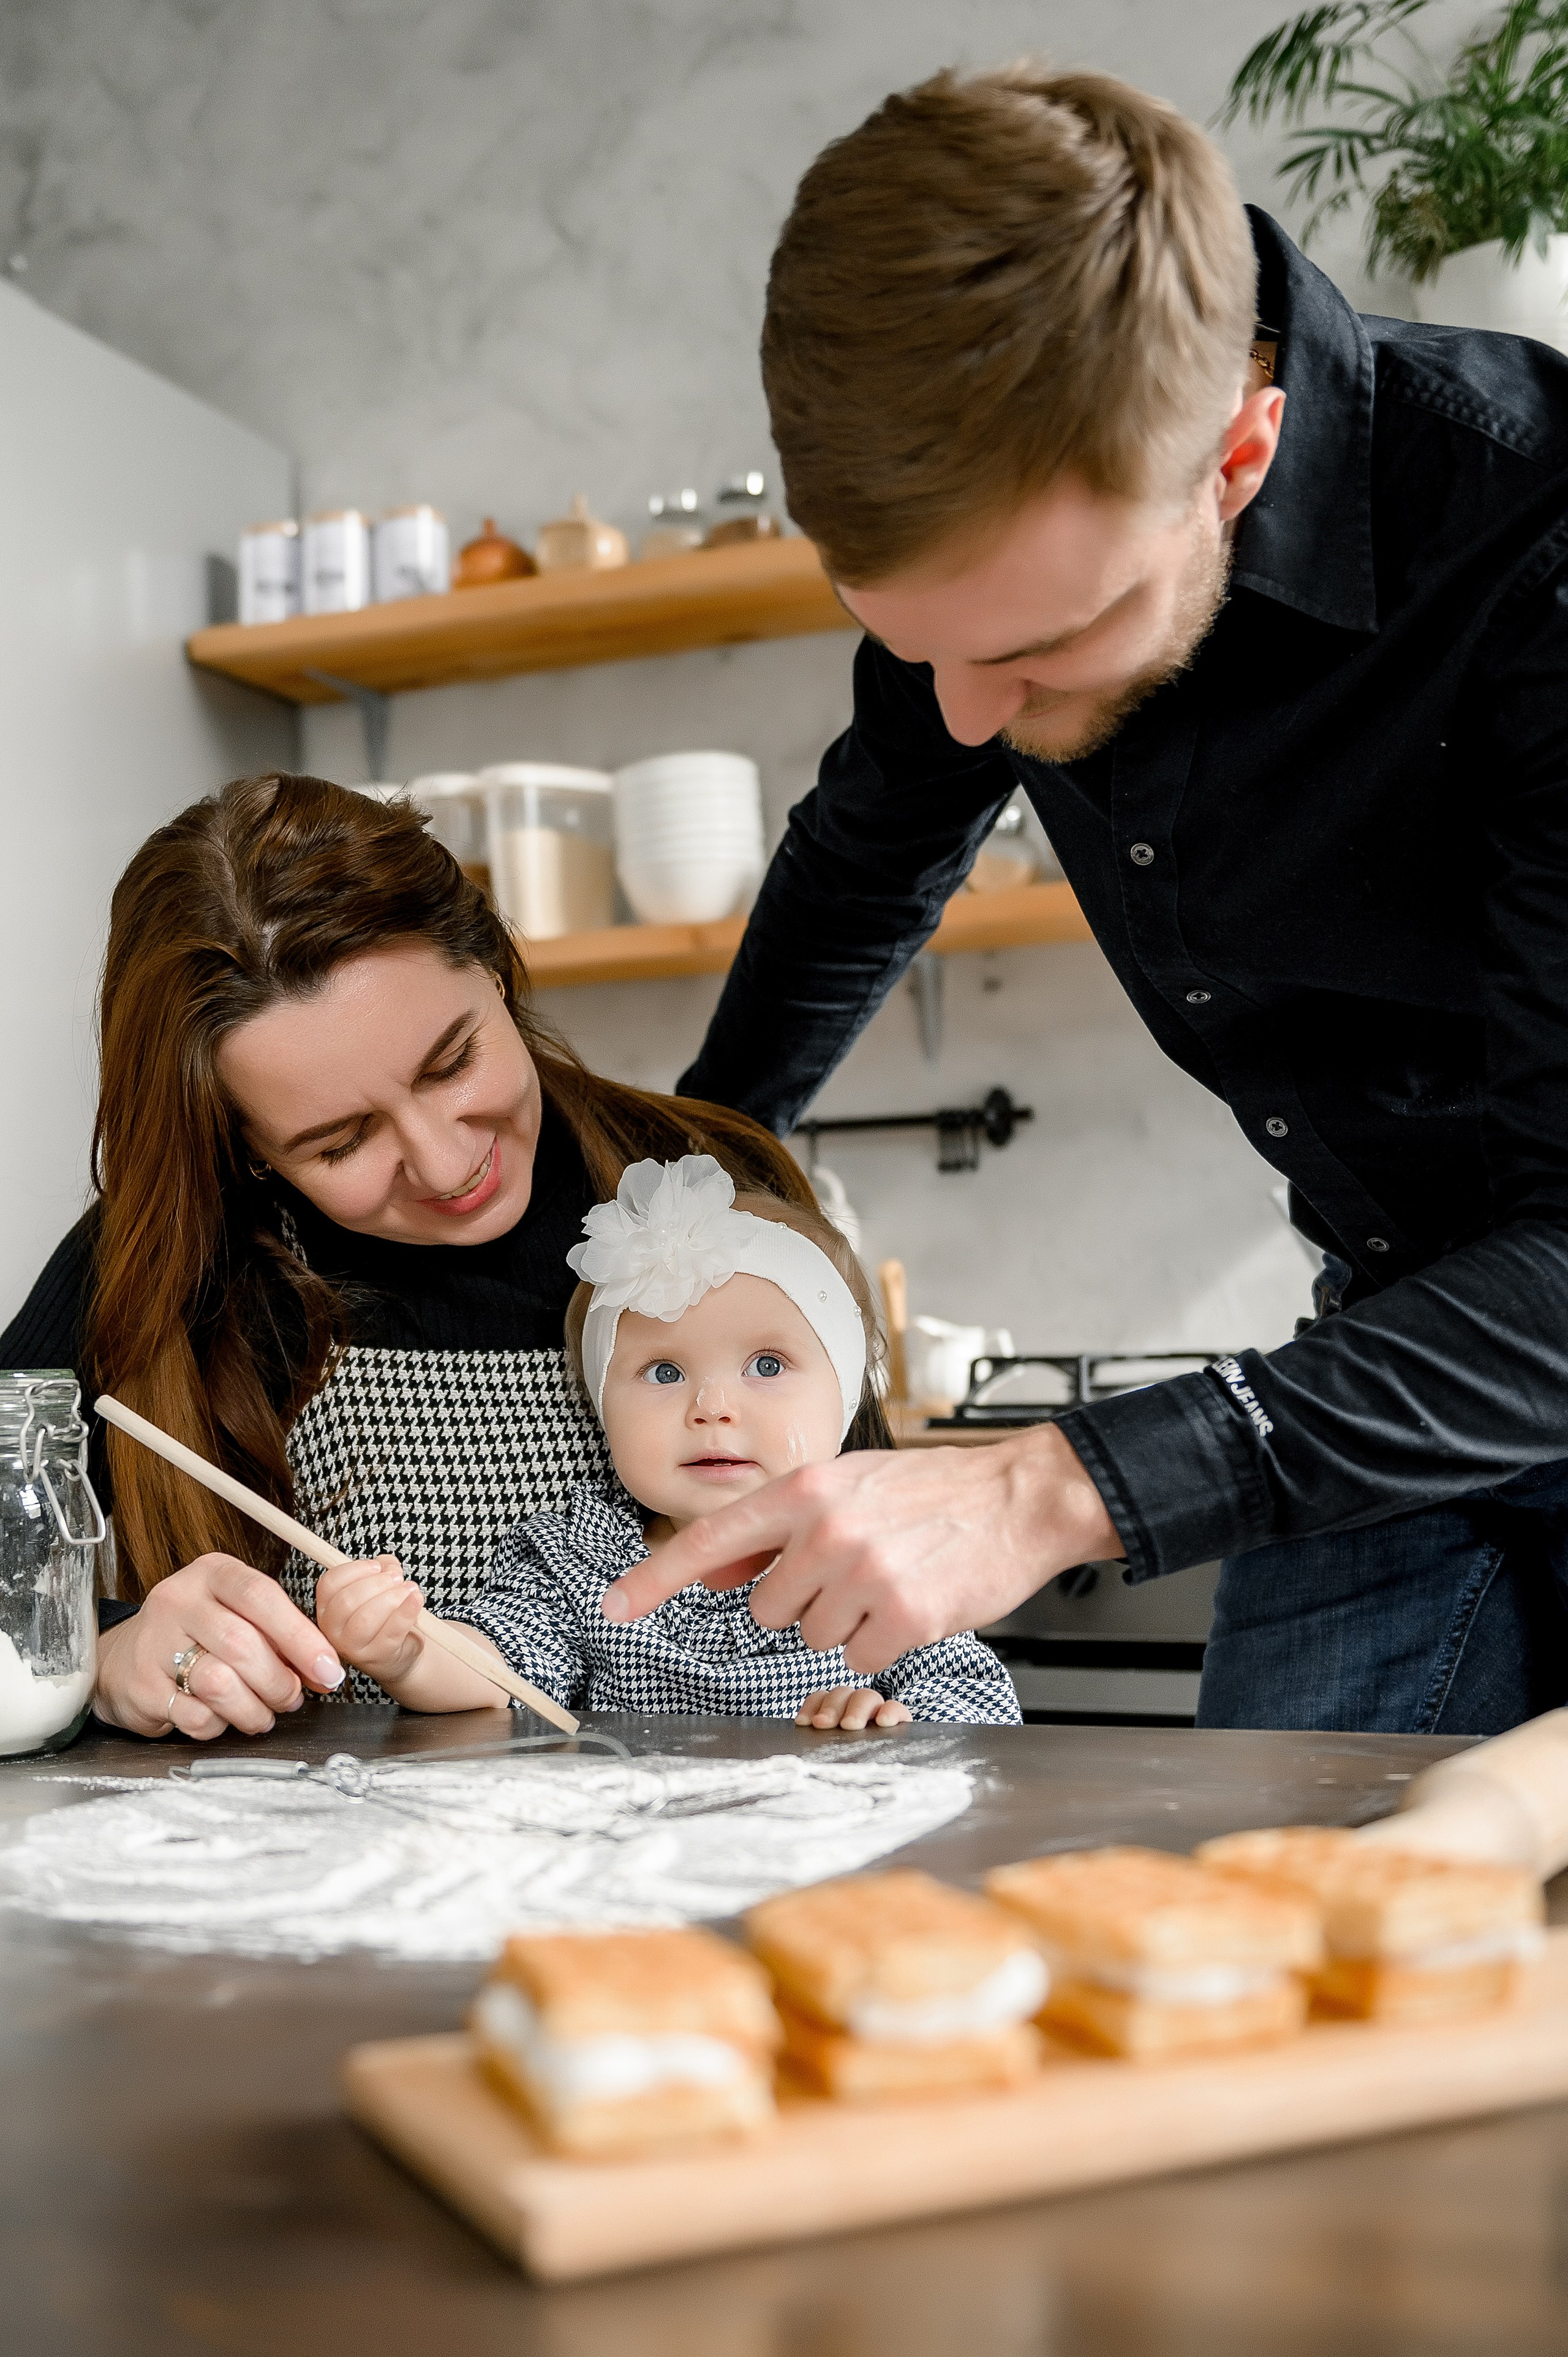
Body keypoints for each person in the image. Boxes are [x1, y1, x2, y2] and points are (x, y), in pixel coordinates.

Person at [605, 64, 1568, 1738]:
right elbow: (870, 849)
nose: (969, 718)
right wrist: (680, 1185)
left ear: (1241, 456)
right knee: (1249, 1938)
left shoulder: (1533, 552)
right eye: (917, 649)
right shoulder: (995, 575)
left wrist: (1044, 1494)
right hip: (1384, 1343)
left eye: (1038, 652)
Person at [0, 772, 816, 1740]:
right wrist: (103, 1649)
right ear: (246, 1147)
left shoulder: (713, 1180)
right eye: (340, 1143)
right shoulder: (162, 1261)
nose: (445, 1163)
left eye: (453, 1062)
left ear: (496, 969)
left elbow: (873, 1556)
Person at [314, 1156, 1019, 1725]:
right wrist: (408, 1650)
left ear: (845, 1395)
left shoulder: (875, 1548)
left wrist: (894, 1721)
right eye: (663, 1371)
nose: (712, 1408)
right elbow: (497, 1670)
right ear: (600, 1404)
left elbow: (980, 1697)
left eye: (766, 1366)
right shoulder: (576, 1556)